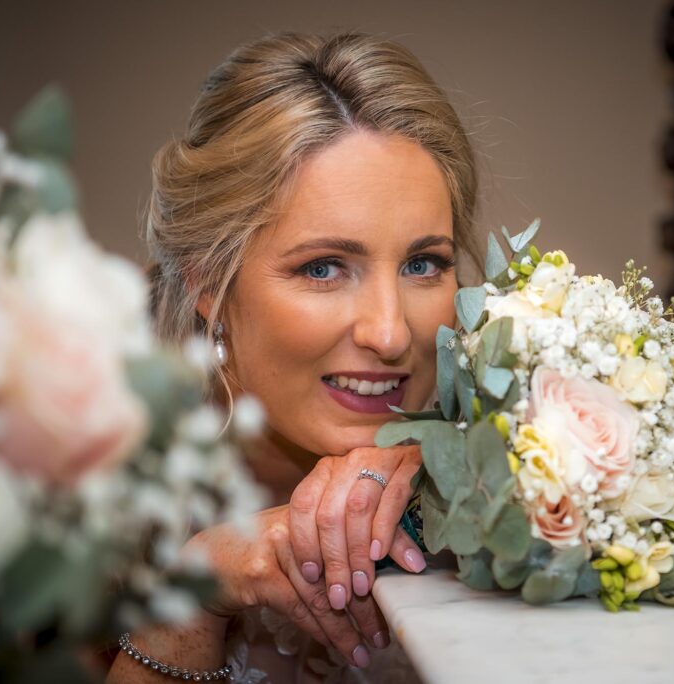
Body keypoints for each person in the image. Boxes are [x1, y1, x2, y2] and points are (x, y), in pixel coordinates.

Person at [108, 31, 482, 683]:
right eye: (323, 268)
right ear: (208, 284)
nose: (391, 334)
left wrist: (454, 464)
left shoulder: (516, 477)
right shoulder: (80, 497)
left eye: (423, 264)